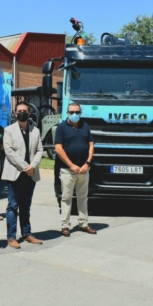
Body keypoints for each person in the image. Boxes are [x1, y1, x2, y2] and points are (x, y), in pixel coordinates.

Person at [2, 102, 43, 249]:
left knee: (26, 206)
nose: (22, 113)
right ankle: (11, 237)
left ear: (29, 113)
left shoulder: (35, 131)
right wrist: (25, 166)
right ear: (15, 113)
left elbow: (39, 150)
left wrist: (32, 166)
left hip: (30, 174)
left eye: (24, 111)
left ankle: (27, 233)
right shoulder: (8, 130)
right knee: (13, 206)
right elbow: (9, 152)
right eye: (19, 111)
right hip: (16, 173)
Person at [55, 102, 96, 237]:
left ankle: (83, 223)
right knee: (66, 198)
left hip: (84, 170)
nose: (74, 114)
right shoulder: (61, 128)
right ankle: (65, 226)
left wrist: (87, 163)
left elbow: (91, 146)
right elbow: (58, 149)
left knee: (83, 197)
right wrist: (72, 165)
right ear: (67, 113)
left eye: (77, 112)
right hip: (68, 170)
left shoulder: (86, 127)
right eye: (71, 112)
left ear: (80, 113)